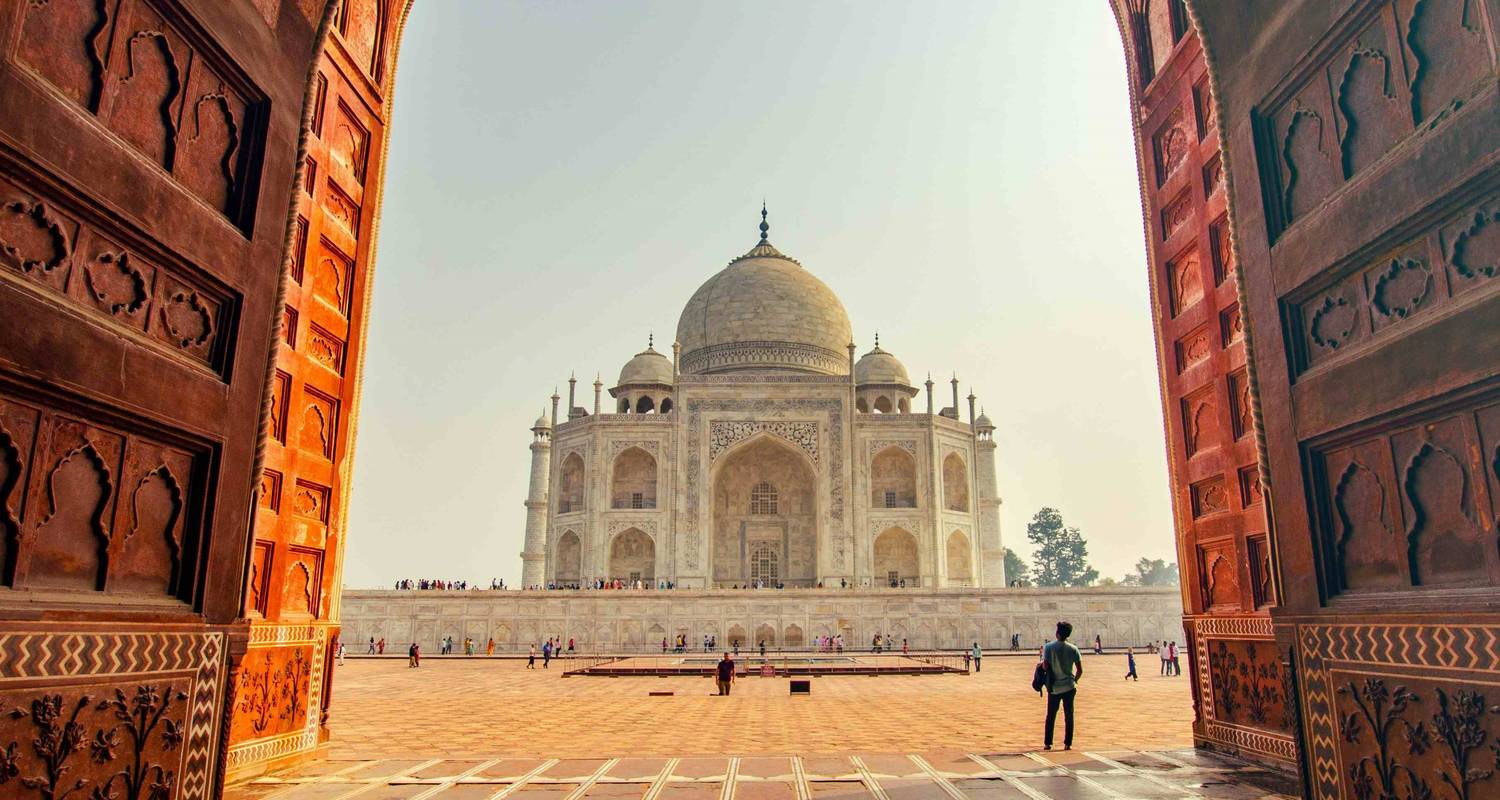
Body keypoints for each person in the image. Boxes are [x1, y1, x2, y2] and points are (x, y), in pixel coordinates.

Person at [1042, 621, 1083, 751]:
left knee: (1051, 716)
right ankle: (1067, 743)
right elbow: (1080, 670)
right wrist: (1074, 680)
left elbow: (1045, 666)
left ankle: (1048, 743)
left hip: (1054, 687)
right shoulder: (1073, 649)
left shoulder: (1048, 647)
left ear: (1057, 633)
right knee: (1069, 715)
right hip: (1069, 687)